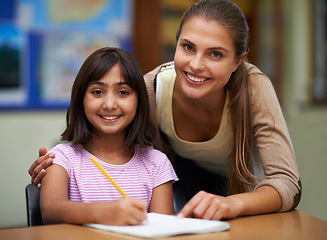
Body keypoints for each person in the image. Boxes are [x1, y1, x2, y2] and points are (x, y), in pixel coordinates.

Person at [30, 0, 301, 221]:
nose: (196, 64)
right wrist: (52, 165)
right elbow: (97, 128)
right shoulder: (150, 90)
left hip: (242, 192)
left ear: (238, 61)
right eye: (188, 47)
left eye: (215, 54)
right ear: (176, 43)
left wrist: (232, 204)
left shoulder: (254, 88)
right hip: (183, 181)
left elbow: (287, 182)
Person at [39, 47, 178, 226]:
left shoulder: (157, 163)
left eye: (123, 92)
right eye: (97, 92)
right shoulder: (62, 158)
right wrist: (106, 211)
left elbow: (163, 229)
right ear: (81, 99)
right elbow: (50, 211)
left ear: (139, 101)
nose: (110, 104)